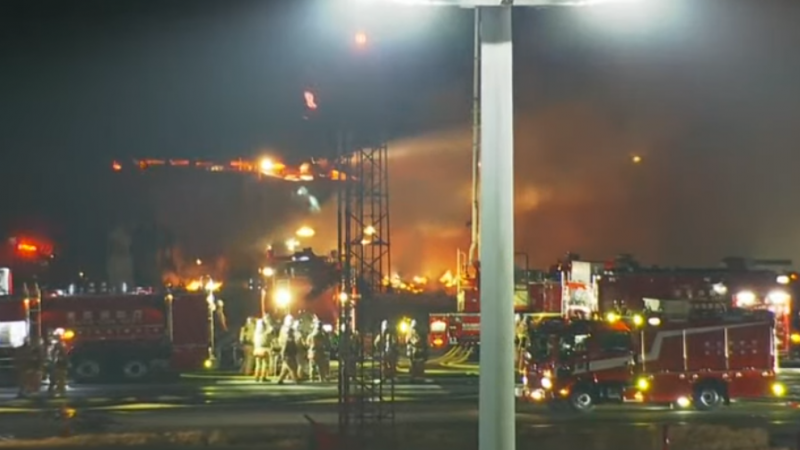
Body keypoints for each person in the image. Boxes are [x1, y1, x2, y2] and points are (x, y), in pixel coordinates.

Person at [253, 315, 273, 382]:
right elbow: (270, 337)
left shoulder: (256, 332)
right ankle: (263, 377)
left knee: (258, 363)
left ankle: (256, 377)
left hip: (257, 348)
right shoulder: (266, 331)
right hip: (264, 348)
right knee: (265, 363)